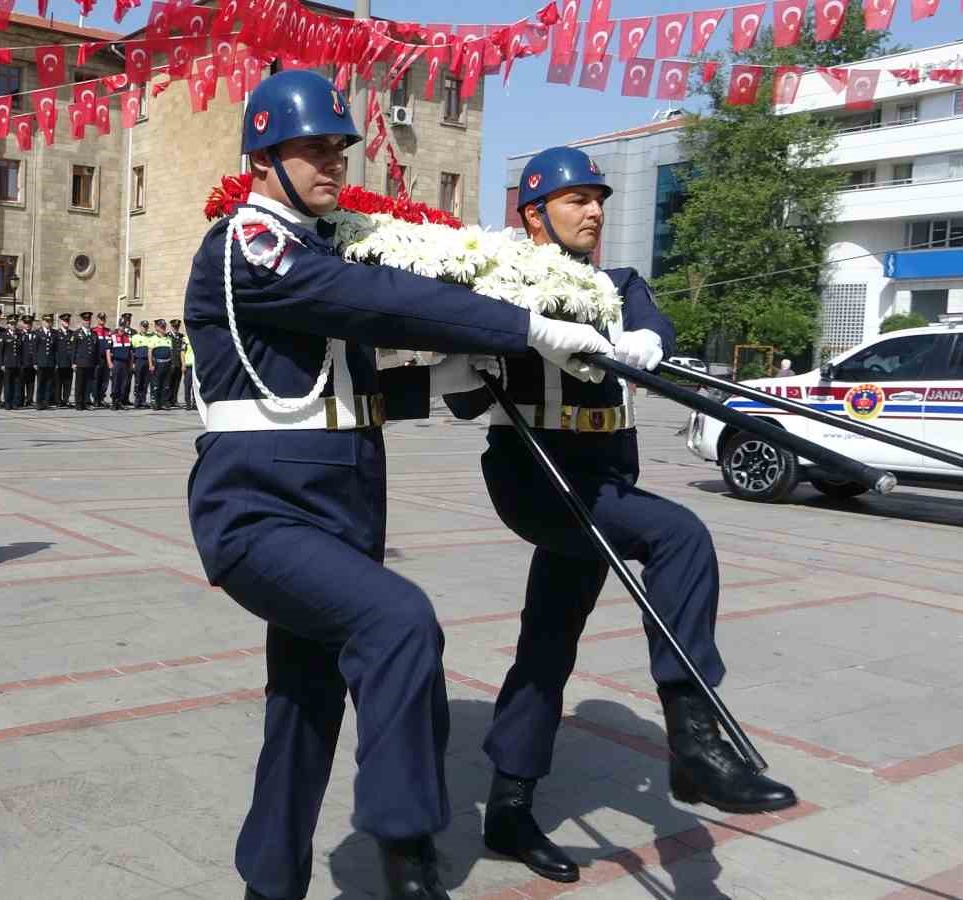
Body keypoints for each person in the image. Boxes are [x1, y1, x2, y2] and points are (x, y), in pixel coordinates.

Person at [186, 70, 613, 900]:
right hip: (259, 512)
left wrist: (458, 380)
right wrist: (529, 324)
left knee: (303, 709)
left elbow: (338, 396)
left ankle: (268, 882)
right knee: (401, 622)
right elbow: (372, 301)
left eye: (339, 148)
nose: (331, 163)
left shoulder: (317, 246)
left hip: (338, 514)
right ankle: (407, 842)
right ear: (264, 150)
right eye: (312, 147)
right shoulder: (251, 241)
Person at [439, 146, 798, 885]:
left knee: (547, 643)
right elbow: (463, 400)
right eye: (576, 200)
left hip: (607, 474)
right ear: (533, 214)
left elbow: (651, 329)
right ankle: (695, 738)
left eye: (598, 199)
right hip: (536, 475)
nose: (594, 211)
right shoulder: (502, 286)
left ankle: (509, 803)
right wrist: (493, 341)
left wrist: (640, 343)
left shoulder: (619, 283)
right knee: (681, 534)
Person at [72, 310, 99, 410]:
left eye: (89, 320)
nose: (87, 322)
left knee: (88, 384)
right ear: (82, 321)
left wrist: (96, 362)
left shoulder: (93, 334)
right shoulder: (77, 333)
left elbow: (97, 349)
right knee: (79, 384)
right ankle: (78, 403)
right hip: (80, 363)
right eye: (86, 320)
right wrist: (73, 362)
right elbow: (73, 349)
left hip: (90, 363)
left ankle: (86, 402)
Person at [108, 312, 134, 411]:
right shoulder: (113, 336)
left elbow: (131, 352)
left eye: (123, 326)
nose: (122, 328)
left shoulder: (128, 336)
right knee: (115, 383)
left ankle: (120, 402)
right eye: (121, 326)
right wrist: (110, 363)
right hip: (117, 363)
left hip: (126, 363)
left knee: (124, 383)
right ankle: (114, 402)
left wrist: (131, 364)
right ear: (118, 326)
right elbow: (108, 350)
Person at [32, 313, 57, 410]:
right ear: (42, 322)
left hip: (50, 362)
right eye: (46, 321)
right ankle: (39, 402)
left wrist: (55, 362)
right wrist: (35, 362)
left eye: (50, 321)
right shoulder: (38, 333)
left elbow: (56, 349)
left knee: (49, 383)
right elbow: (35, 349)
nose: (48, 323)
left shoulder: (54, 333)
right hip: (41, 362)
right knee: (41, 383)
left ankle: (46, 402)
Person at [148, 318, 174, 411]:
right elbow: (150, 352)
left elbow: (171, 352)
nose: (163, 328)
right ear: (156, 327)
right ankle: (155, 402)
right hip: (157, 364)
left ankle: (164, 402)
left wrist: (171, 363)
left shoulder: (168, 338)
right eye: (161, 326)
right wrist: (150, 364)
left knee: (166, 384)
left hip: (167, 363)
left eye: (164, 326)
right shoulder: (153, 338)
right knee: (156, 384)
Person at [132, 318, 153, 409]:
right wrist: (133, 363)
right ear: (140, 327)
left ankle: (143, 400)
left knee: (145, 381)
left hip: (147, 361)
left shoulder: (150, 337)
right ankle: (137, 400)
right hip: (139, 361)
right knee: (138, 381)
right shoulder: (135, 337)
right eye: (143, 327)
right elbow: (132, 351)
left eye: (146, 327)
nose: (145, 328)